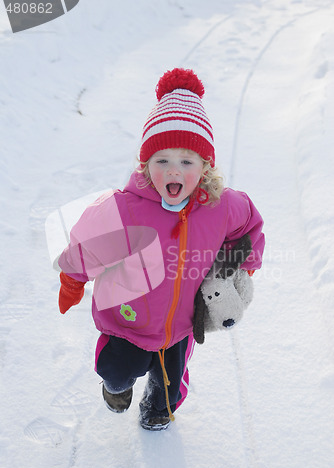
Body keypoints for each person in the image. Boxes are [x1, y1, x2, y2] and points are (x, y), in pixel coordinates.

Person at [57, 68, 265, 431]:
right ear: (145, 164)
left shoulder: (222, 205)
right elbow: (88, 244)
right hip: (128, 320)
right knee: (118, 368)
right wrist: (72, 279)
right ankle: (116, 388)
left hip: (183, 324)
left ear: (205, 166)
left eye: (187, 161)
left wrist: (240, 266)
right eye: (162, 161)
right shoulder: (126, 209)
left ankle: (158, 409)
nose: (174, 171)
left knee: (170, 383)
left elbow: (248, 227)